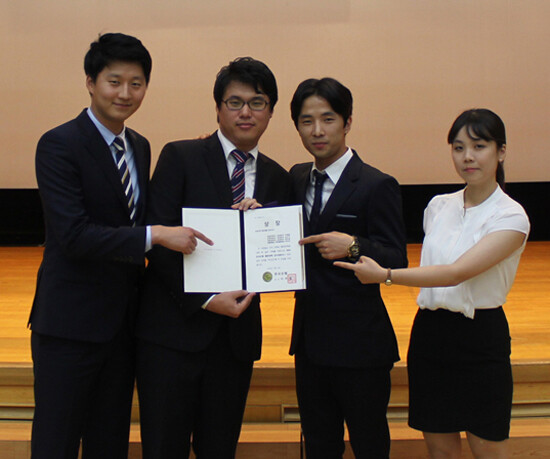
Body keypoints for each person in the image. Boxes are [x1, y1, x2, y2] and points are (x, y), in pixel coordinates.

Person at [29, 33, 210, 459]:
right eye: (114, 81)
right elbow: (73, 235)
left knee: (108, 441)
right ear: (90, 82)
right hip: (70, 325)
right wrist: (156, 235)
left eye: (136, 83)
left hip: (123, 325)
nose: (125, 93)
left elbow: (138, 213)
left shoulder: (139, 146)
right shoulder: (59, 143)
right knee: (56, 441)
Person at [336, 109, 530, 459]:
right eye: (458, 147)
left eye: (479, 146)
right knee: (440, 450)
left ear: (501, 151)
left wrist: (386, 275)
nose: (467, 157)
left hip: (480, 336)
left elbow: (456, 272)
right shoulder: (438, 206)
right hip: (430, 334)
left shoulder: (511, 215)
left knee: (488, 448)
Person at [135, 57, 291, 459]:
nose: (245, 112)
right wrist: (205, 299)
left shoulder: (279, 178)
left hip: (234, 341)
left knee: (219, 448)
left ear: (271, 111)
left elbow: (280, 258)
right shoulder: (180, 156)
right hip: (172, 335)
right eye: (234, 102)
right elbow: (157, 239)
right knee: (163, 448)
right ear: (218, 108)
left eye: (257, 103)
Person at [288, 77, 408, 458]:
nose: (317, 131)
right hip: (309, 342)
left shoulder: (376, 184)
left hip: (360, 344)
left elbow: (396, 257)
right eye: (307, 121)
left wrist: (354, 246)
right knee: (319, 444)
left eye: (328, 119)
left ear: (347, 122)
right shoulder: (295, 178)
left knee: (368, 443)